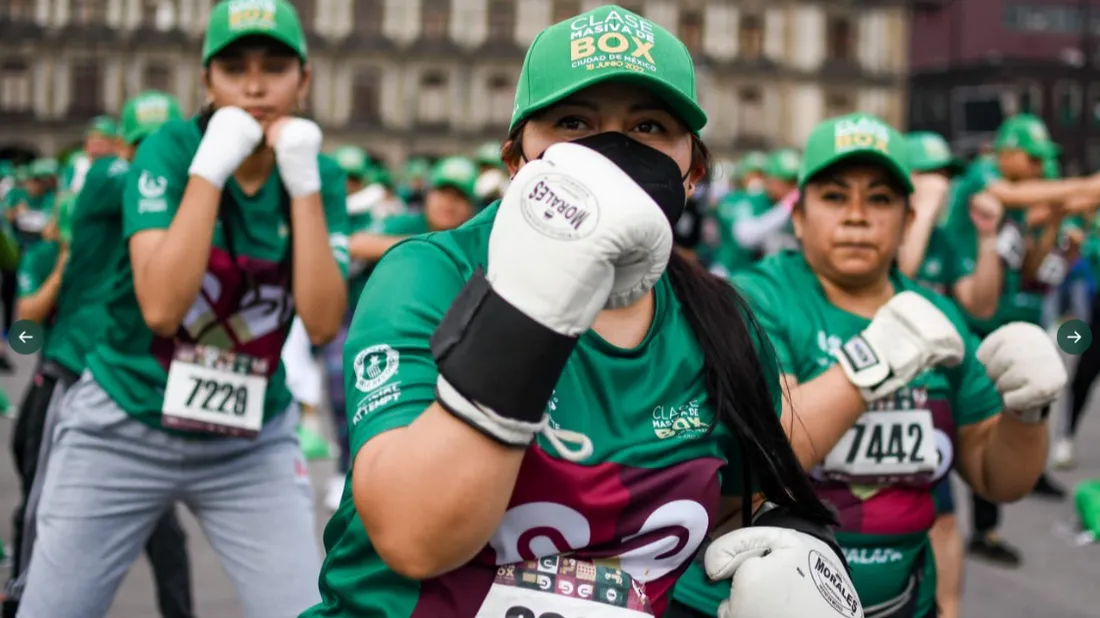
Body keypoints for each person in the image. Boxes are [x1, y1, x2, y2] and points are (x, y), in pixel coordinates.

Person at [307, 6, 861, 618]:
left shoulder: (721, 322)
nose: (613, 151)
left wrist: (789, 557)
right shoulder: (431, 276)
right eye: (574, 121)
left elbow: (731, 504)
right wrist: (532, 304)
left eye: (649, 126)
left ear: (694, 172)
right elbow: (413, 539)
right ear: (517, 159)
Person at [17, 2, 349, 616]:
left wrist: (301, 184)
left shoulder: (318, 169)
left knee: (305, 609)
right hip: (122, 425)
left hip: (250, 445)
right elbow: (164, 307)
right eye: (233, 68)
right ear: (207, 82)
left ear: (304, 80)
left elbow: (324, 322)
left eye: (275, 67)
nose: (253, 85)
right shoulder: (167, 148)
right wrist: (211, 165)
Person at [672, 112, 1064, 618]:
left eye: (880, 199)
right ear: (798, 215)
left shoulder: (936, 315)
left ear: (907, 218)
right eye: (835, 196)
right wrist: (875, 359)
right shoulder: (753, 298)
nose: (857, 215)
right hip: (743, 603)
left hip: (902, 603)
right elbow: (775, 450)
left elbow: (997, 477)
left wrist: (1028, 411)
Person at [4, 91, 197, 618]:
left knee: (161, 523)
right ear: (119, 145)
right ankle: (22, 595)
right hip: (68, 363)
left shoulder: (159, 201)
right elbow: (24, 317)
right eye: (140, 143)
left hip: (128, 372)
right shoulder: (106, 181)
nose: (151, 153)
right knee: (43, 492)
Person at [942, 114, 1087, 566]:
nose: (1042, 167)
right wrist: (1086, 187)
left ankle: (998, 510)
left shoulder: (1022, 203)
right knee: (965, 426)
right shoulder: (985, 177)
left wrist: (1058, 227)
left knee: (1020, 406)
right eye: (1034, 157)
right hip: (967, 320)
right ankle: (973, 527)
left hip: (1008, 321)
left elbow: (1031, 268)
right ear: (1006, 152)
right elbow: (1012, 195)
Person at [347, 155, 480, 263]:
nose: (449, 203)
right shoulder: (406, 223)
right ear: (428, 195)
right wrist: (425, 245)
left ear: (472, 206)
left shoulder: (474, 242)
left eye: (459, 197)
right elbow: (355, 244)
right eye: (443, 193)